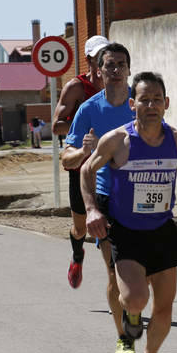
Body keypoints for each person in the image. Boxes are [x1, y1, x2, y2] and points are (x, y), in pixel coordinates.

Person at [82, 71, 177, 353]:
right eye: (144, 100)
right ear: (133, 104)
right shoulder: (117, 140)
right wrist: (93, 209)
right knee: (135, 299)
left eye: (157, 100)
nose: (151, 105)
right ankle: (132, 317)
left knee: (164, 307)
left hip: (162, 231)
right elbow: (86, 169)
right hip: (126, 231)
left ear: (166, 103)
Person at [64, 42, 136, 353]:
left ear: (129, 69)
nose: (116, 70)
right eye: (110, 65)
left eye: (121, 64)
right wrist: (84, 151)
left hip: (143, 196)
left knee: (140, 273)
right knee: (113, 271)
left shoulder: (141, 103)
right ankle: (123, 337)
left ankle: (133, 312)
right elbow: (67, 158)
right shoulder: (89, 110)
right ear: (100, 71)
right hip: (106, 197)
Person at [52, 34, 110, 289]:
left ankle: (119, 286)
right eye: (98, 56)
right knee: (80, 228)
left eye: (106, 54)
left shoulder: (118, 84)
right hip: (82, 165)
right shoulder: (76, 87)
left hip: (111, 166)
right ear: (88, 60)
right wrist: (84, 121)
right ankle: (77, 254)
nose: (103, 60)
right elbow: (56, 126)